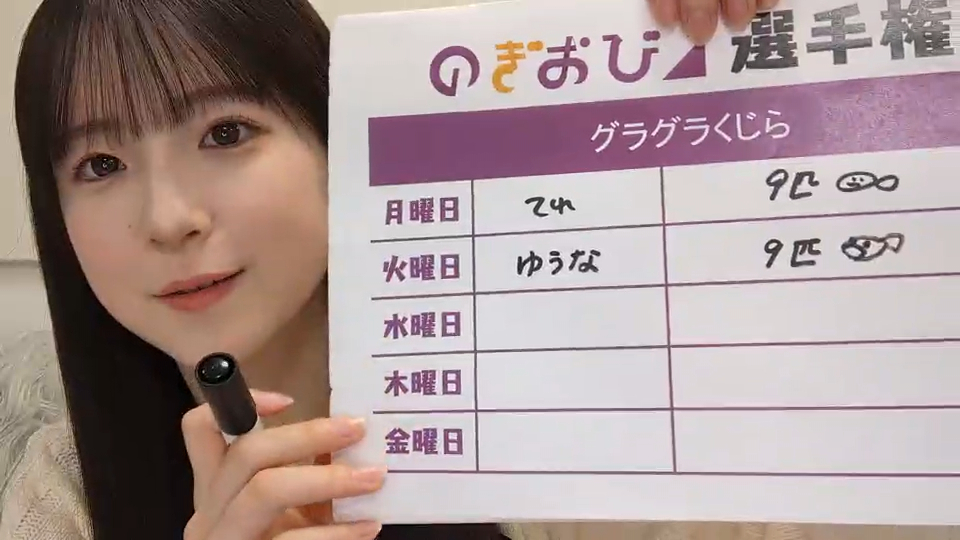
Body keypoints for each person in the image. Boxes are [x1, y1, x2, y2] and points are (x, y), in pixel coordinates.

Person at [7, 0, 946, 540]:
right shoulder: (64, 488)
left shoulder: (547, 414)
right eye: (100, 163)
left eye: (225, 132)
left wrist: (763, 56)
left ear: (339, 140)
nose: (169, 218)